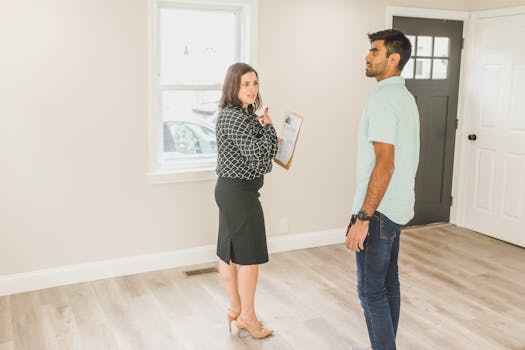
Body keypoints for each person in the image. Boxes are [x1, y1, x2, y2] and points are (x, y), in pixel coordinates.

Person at [346, 30, 420, 350]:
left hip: (378, 211)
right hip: (397, 207)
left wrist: (363, 217)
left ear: (393, 58)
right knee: (389, 284)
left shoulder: (382, 99)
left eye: (374, 51)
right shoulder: (405, 97)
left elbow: (384, 165)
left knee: (370, 291)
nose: (367, 56)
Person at [214, 62, 277, 339]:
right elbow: (262, 161)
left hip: (232, 192)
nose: (252, 89)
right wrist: (271, 130)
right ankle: (248, 317)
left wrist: (263, 130)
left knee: (228, 251)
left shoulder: (241, 114)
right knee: (248, 257)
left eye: (255, 82)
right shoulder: (235, 118)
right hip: (240, 194)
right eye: (246, 84)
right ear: (233, 87)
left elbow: (260, 153)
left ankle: (236, 308)